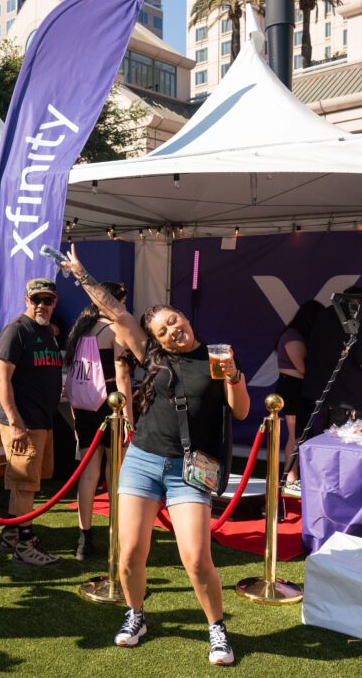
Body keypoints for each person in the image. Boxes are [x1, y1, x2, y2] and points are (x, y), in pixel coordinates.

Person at [61, 246, 249, 666]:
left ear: (183, 317)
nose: (171, 332)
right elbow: (118, 314)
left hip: (189, 469)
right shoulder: (155, 356)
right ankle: (136, 614)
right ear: (157, 340)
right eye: (162, 331)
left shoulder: (215, 357)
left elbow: (239, 410)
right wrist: (81, 275)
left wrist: (233, 372)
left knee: (197, 558)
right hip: (143, 461)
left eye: (173, 322)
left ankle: (217, 628)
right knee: (129, 555)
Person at [0, 278, 65, 567]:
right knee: (24, 484)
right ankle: (25, 544)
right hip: (23, 422)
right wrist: (15, 422)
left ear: (54, 303)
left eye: (47, 300)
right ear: (26, 300)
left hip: (42, 420)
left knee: (27, 483)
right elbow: (2, 379)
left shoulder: (46, 331)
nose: (42, 306)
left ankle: (10, 533)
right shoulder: (16, 331)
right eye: (36, 300)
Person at [63, 281, 133, 560]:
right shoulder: (117, 328)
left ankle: (84, 539)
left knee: (89, 471)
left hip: (83, 405)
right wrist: (130, 419)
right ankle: (116, 536)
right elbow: (123, 375)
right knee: (114, 472)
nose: (125, 307)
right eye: (123, 301)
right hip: (110, 403)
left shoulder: (81, 328)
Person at [301, 281, 362, 435]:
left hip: (320, 396)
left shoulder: (326, 314)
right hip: (346, 399)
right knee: (342, 447)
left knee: (323, 444)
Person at [274, 300, 324, 495]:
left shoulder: (294, 335)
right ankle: (290, 478)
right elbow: (304, 368)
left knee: (299, 434)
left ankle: (294, 476)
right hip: (293, 389)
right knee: (295, 436)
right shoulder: (293, 337)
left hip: (295, 388)